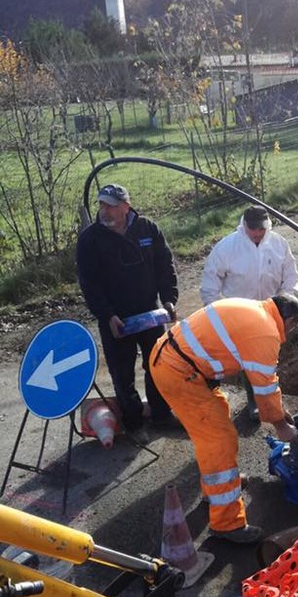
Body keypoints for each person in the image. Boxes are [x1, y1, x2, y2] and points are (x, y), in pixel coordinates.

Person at [149, 294, 298, 544]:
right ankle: (227, 523)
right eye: (294, 326)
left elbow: (265, 382)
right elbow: (264, 388)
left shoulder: (253, 309)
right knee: (219, 440)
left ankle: (219, 488)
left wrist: (281, 411)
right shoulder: (266, 332)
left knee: (217, 417)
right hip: (179, 372)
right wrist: (281, 425)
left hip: (174, 362)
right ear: (291, 320)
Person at [76, 182, 179, 431]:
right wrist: (107, 314)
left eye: (111, 206)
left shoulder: (147, 229)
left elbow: (165, 266)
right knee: (122, 374)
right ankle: (132, 422)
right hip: (115, 318)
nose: (105, 211)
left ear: (126, 207)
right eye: (101, 204)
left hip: (150, 313)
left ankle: (161, 414)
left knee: (158, 364)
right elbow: (89, 283)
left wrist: (169, 299)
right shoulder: (90, 240)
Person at [200, 204, 298, 422]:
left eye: (261, 229)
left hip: (272, 312)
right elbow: (210, 285)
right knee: (249, 361)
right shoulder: (227, 248)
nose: (256, 233)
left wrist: (285, 300)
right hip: (240, 318)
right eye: (252, 229)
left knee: (269, 358)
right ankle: (255, 402)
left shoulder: (278, 244)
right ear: (244, 225)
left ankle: (273, 400)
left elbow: (290, 276)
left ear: (268, 226)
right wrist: (220, 315)